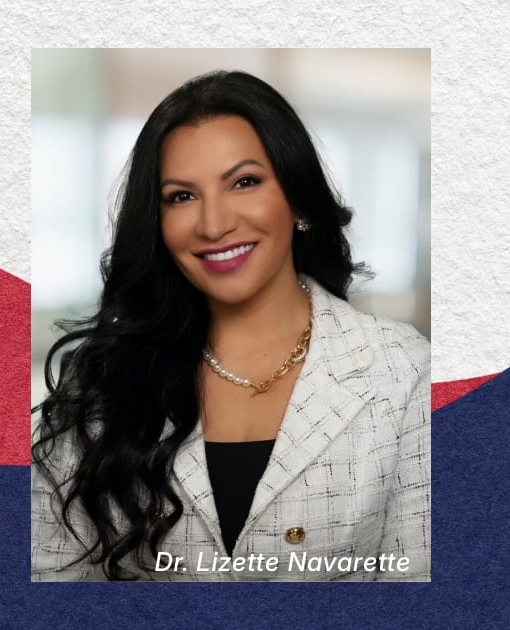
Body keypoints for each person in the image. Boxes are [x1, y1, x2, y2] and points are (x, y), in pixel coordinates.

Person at [30, 71, 430, 581]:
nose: (214, 224)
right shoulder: (103, 379)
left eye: (244, 182)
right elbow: (48, 580)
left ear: (300, 201)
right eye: (181, 196)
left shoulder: (402, 372)